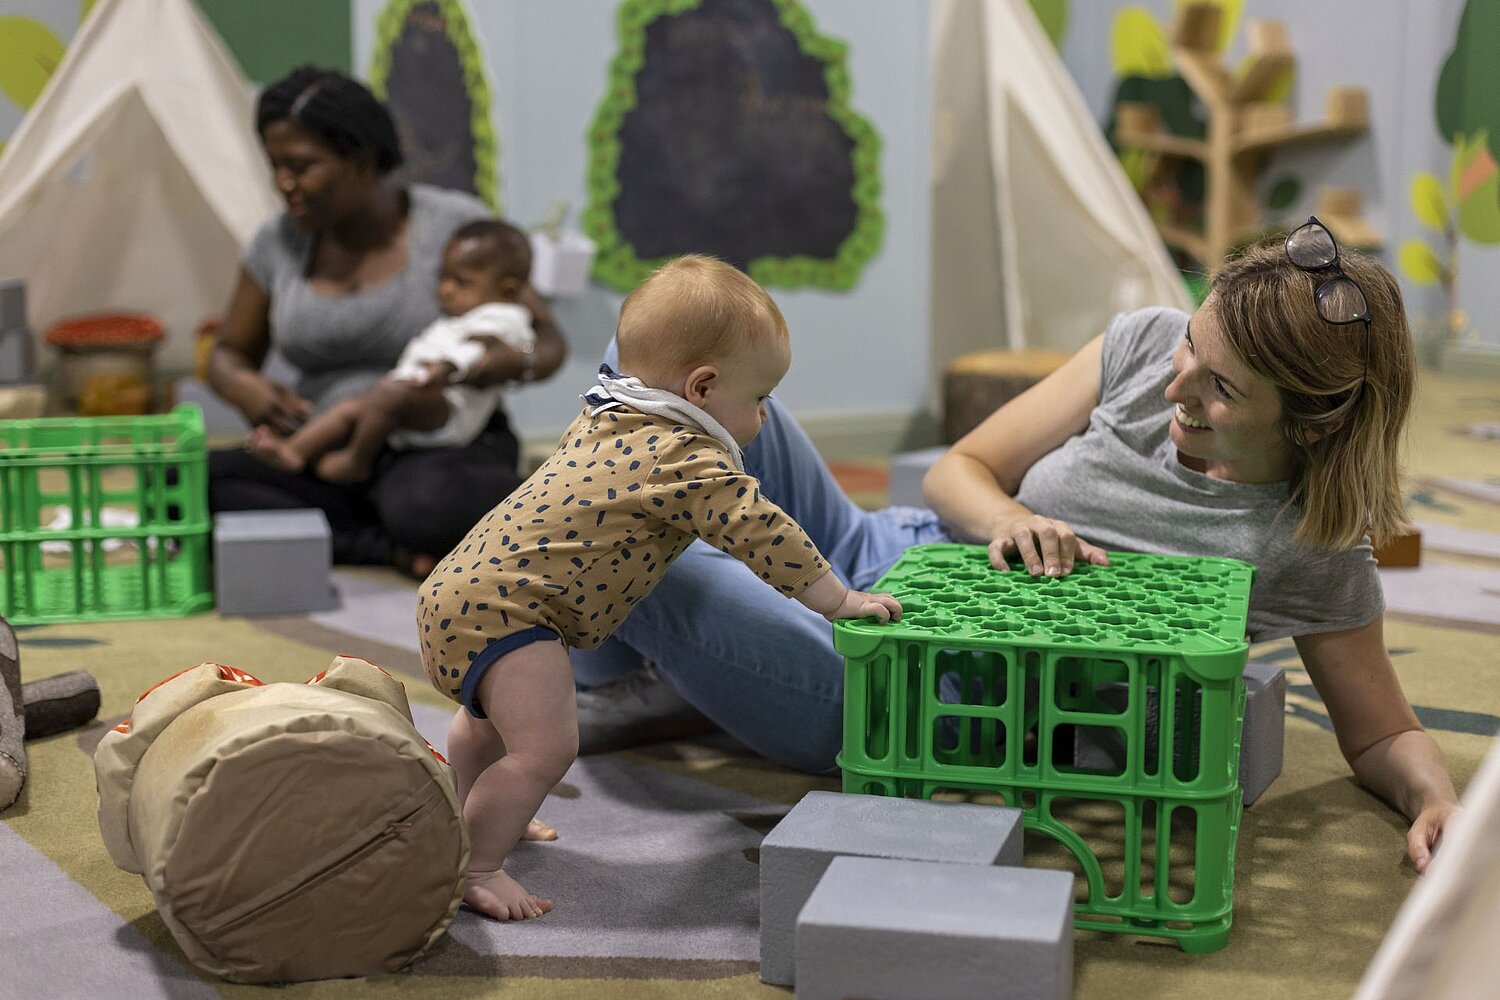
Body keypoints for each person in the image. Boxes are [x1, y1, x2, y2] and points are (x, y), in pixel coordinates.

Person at [570, 221, 1461, 873]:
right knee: (657, 347)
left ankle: (668, 665)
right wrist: (1004, 519)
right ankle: (621, 678)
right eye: (1192, 342)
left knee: (651, 555)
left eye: (1220, 388)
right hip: (879, 545)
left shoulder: (1311, 546)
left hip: (928, 688)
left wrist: (1436, 799)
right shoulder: (1144, 343)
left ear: (1310, 425)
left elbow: (1382, 729)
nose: (1173, 384)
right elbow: (963, 467)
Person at [417, 256, 902, 921]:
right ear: (701, 388)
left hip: (457, 590)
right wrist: (840, 601)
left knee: (484, 725)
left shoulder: (608, 411)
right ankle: (480, 863)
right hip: (514, 616)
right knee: (546, 748)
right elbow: (764, 534)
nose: (764, 418)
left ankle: (478, 813)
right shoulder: (686, 458)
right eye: (759, 400)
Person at [206, 67, 566, 578]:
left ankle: (375, 527)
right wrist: (246, 388)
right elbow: (226, 354)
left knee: (427, 501)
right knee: (199, 484)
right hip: (327, 445)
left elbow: (548, 339)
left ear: (363, 158)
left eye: (301, 166)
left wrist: (513, 360)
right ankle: (388, 546)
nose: (284, 184)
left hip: (435, 444)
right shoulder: (277, 243)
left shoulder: (454, 227)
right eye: (275, 166)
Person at [246, 220, 535, 483]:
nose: (446, 289)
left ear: (507, 291)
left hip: (451, 408)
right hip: (416, 395)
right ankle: (294, 450)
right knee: (352, 406)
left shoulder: (502, 317)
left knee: (386, 394)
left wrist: (448, 367)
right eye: (444, 277)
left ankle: (357, 461)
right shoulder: (464, 314)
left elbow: (478, 351)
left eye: (461, 283)